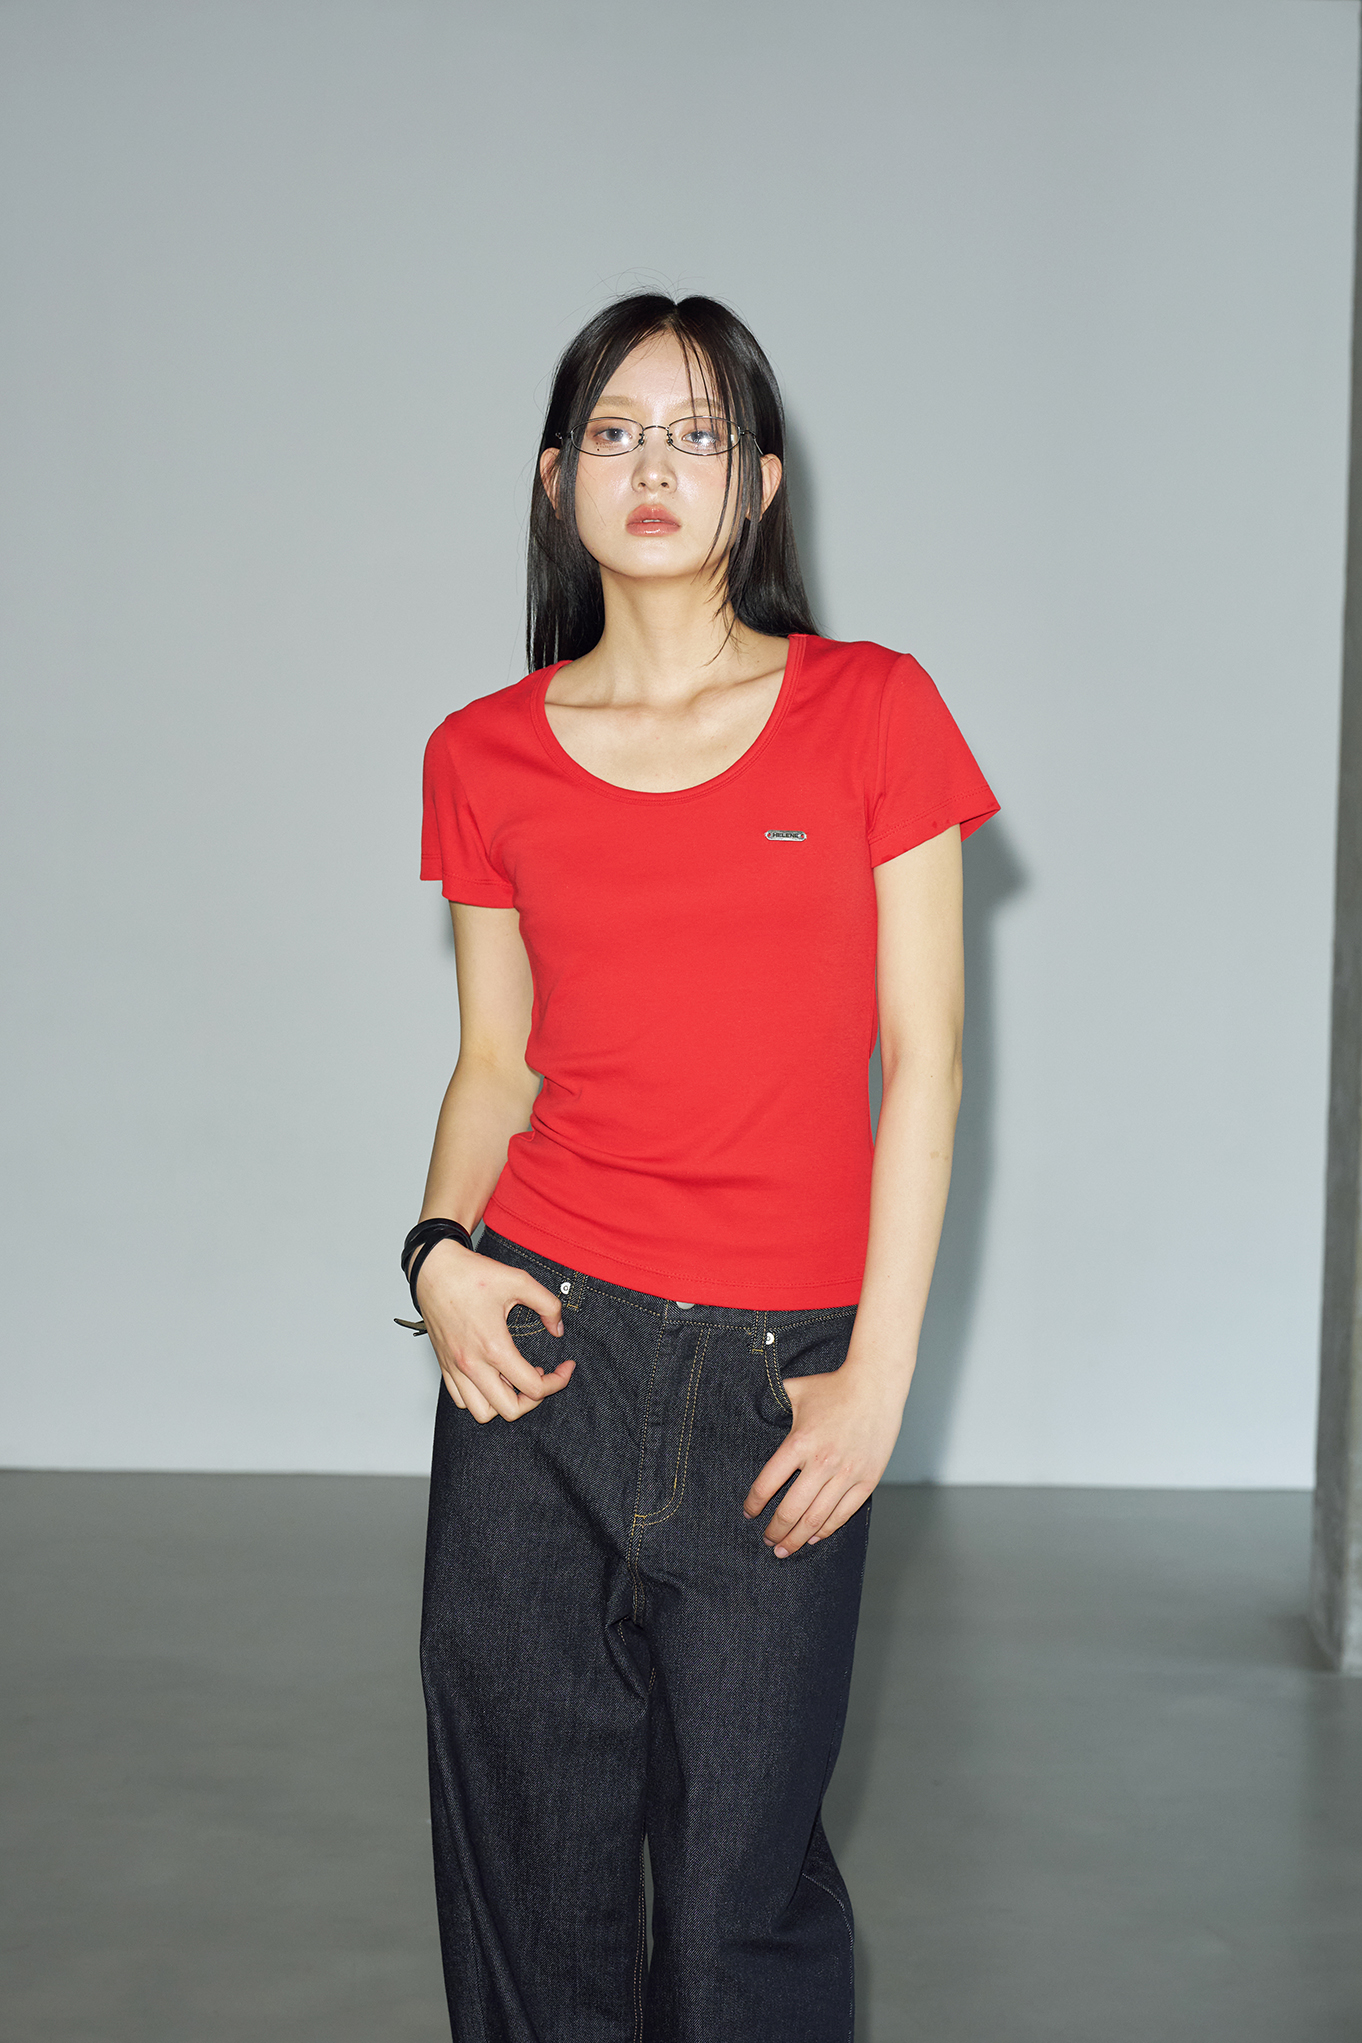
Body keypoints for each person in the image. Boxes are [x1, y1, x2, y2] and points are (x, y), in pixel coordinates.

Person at [403, 291, 999, 2043]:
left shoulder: (873, 708)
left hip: (776, 1382)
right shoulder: (480, 750)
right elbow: (494, 1063)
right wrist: (434, 1251)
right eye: (613, 431)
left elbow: (928, 1062)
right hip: (537, 1362)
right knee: (525, 1885)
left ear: (759, 482)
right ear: (554, 479)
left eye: (696, 433)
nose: (651, 465)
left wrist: (877, 1381)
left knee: (741, 1907)